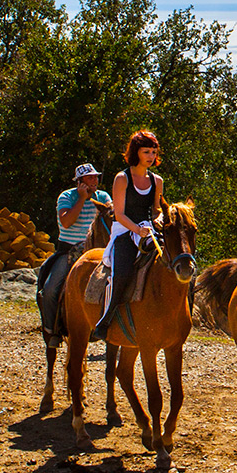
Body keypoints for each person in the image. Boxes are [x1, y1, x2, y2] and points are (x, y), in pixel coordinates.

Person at [92, 131, 165, 341]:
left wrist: (158, 220)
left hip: (148, 230)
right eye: (146, 152)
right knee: (122, 274)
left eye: (153, 152)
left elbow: (157, 209)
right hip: (125, 231)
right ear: (136, 153)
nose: (151, 156)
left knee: (175, 259)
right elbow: (119, 214)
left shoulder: (157, 181)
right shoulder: (122, 178)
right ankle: (105, 321)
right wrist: (137, 229)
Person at [38, 163, 113, 347]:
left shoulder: (103, 197)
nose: (94, 181)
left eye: (95, 177)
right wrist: (81, 199)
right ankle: (52, 329)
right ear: (79, 182)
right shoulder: (67, 197)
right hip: (69, 251)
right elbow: (66, 222)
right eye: (90, 178)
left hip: (97, 252)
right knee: (49, 290)